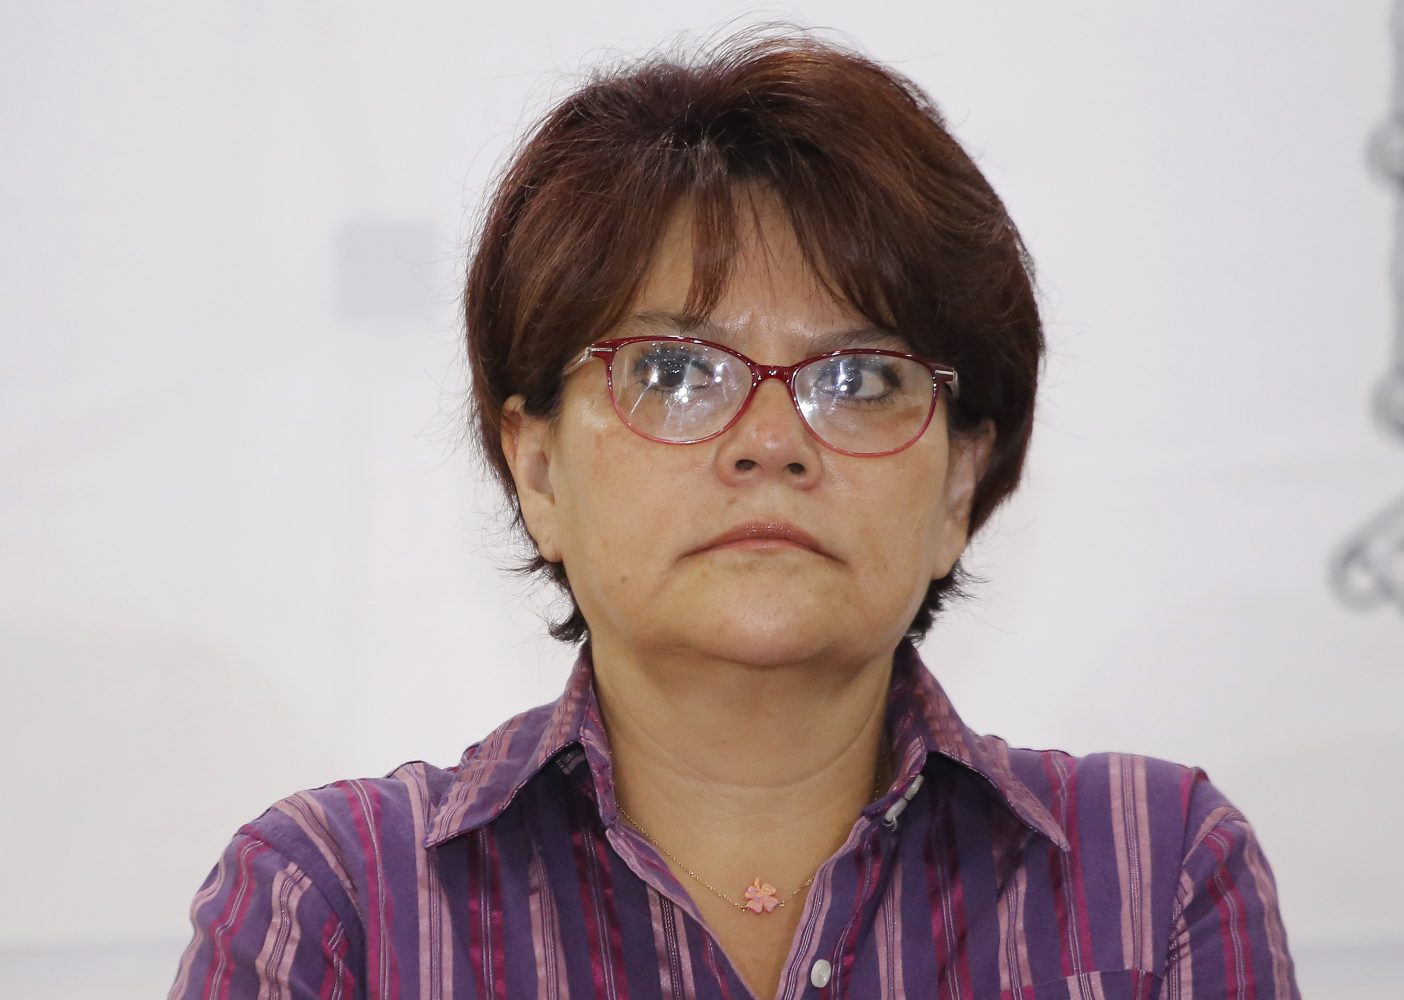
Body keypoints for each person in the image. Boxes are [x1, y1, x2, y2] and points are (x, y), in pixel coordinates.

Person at [170, 28, 1300, 1000]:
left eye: (860, 379)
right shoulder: (340, 908)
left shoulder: (1153, 876)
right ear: (539, 471)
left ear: (959, 485)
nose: (771, 440)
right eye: (673, 371)